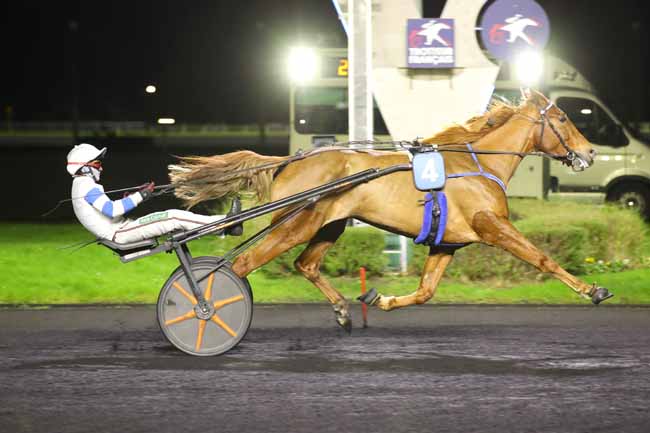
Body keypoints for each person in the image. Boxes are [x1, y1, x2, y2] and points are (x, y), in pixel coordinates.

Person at [67, 143, 226, 244]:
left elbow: (107, 216)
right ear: (84, 166)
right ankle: (222, 226)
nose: (100, 168)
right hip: (121, 233)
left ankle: (221, 224)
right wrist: (139, 196)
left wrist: (132, 197)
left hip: (122, 229)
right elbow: (113, 210)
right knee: (173, 217)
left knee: (172, 215)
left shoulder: (81, 185)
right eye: (97, 163)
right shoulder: (86, 186)